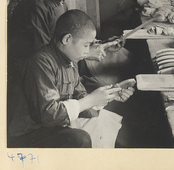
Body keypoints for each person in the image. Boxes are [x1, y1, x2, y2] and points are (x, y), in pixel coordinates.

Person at [7, 10, 135, 148]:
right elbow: (49, 115)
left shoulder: (71, 61)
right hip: (27, 134)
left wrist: (108, 96)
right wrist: (90, 100)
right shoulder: (40, 63)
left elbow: (80, 95)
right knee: (80, 139)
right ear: (67, 39)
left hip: (52, 125)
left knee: (112, 130)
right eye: (86, 45)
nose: (88, 51)